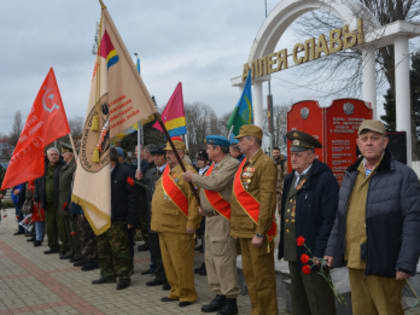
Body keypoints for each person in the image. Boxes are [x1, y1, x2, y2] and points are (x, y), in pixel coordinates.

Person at [325, 120, 420, 315]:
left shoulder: (403, 175)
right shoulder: (351, 174)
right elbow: (341, 217)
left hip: (385, 261)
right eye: (365, 138)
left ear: (385, 142)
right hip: (355, 259)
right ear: (358, 143)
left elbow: (413, 221)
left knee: (388, 310)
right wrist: (332, 250)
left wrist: (406, 263)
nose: (369, 143)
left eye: (374, 138)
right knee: (361, 311)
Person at [278, 130, 338, 315]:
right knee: (299, 298)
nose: (293, 159)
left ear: (311, 157)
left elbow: (330, 218)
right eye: (292, 154)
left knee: (319, 299)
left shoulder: (324, 179)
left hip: (313, 250)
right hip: (293, 248)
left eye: (298, 155)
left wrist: (320, 251)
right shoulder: (290, 179)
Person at [183, 135, 240, 315]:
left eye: (209, 148)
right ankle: (219, 294)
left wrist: (193, 177)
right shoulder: (214, 166)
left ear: (218, 149)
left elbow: (215, 184)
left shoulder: (231, 164)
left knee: (223, 259)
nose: (207, 151)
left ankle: (231, 300)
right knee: (211, 259)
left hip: (223, 218)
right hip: (210, 218)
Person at [230, 125, 278, 315]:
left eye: (242, 139)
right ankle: (256, 310)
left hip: (256, 230)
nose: (239, 142)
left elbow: (267, 200)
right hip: (243, 229)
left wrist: (260, 231)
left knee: (262, 278)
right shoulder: (246, 163)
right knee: (251, 277)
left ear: (252, 140)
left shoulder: (264, 163)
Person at [150, 136, 201, 307]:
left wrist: (192, 223)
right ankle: (176, 290)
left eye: (171, 152)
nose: (168, 155)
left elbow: (194, 200)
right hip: (163, 225)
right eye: (167, 152)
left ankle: (188, 294)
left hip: (179, 226)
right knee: (169, 263)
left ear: (181, 152)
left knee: (181, 264)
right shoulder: (168, 171)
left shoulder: (188, 172)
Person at [92, 147, 136, 290]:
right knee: (102, 247)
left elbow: (132, 197)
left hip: (118, 218)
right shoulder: (99, 172)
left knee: (120, 249)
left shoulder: (125, 171)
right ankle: (107, 273)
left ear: (111, 158)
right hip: (101, 217)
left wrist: (131, 219)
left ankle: (124, 276)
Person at [142, 145, 170, 290]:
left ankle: (169, 278)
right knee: (155, 247)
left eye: (159, 156)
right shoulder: (150, 172)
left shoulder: (169, 171)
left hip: (166, 216)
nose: (156, 158)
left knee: (166, 249)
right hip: (152, 215)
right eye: (154, 156)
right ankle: (159, 275)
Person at [34, 147, 65, 254]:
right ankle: (53, 246)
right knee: (50, 227)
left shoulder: (62, 166)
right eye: (51, 155)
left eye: (55, 154)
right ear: (47, 156)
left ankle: (65, 247)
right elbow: (38, 183)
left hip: (59, 202)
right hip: (47, 203)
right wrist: (37, 196)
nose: (54, 156)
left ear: (59, 155)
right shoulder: (43, 168)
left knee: (61, 226)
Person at [57, 143, 77, 259]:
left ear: (71, 154)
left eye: (64, 152)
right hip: (63, 202)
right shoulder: (66, 166)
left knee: (73, 228)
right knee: (67, 228)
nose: (62, 155)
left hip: (69, 202)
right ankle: (71, 249)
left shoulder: (74, 166)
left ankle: (76, 251)